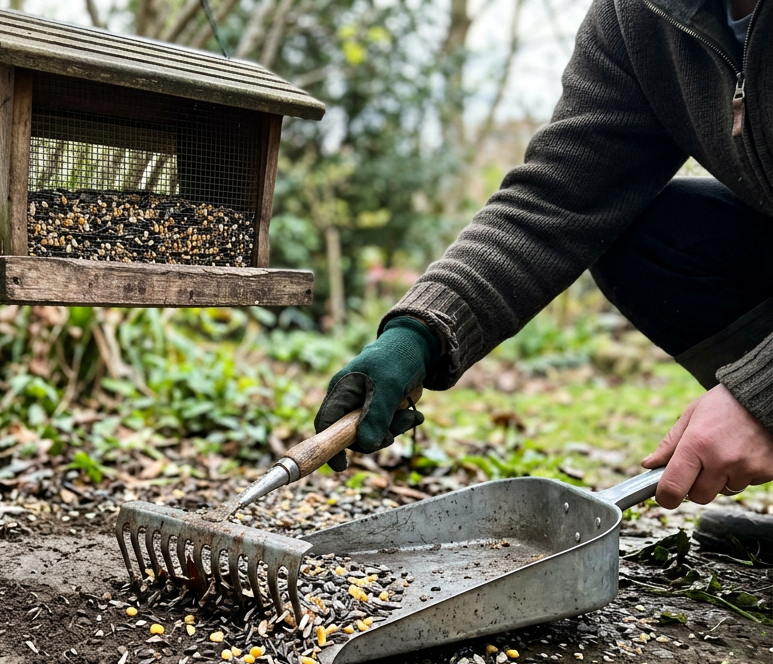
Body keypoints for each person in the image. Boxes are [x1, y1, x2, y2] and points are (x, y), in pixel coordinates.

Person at [316, 0, 773, 517]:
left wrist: (760, 397)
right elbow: (559, 198)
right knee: (652, 238)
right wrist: (418, 333)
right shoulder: (638, 16)